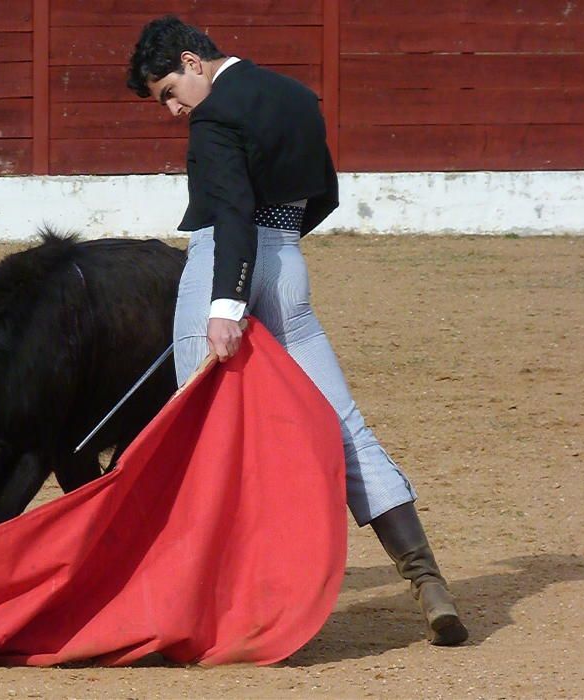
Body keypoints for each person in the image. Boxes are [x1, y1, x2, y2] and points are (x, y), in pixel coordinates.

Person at [126, 15, 468, 646]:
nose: (172, 108)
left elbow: (230, 215)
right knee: (343, 424)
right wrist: (276, 257)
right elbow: (325, 193)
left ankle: (216, 600)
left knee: (199, 430)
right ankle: (427, 581)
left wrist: (226, 305)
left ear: (193, 61)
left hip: (221, 266)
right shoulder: (295, 97)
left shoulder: (213, 116)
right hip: (287, 265)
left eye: (170, 90)